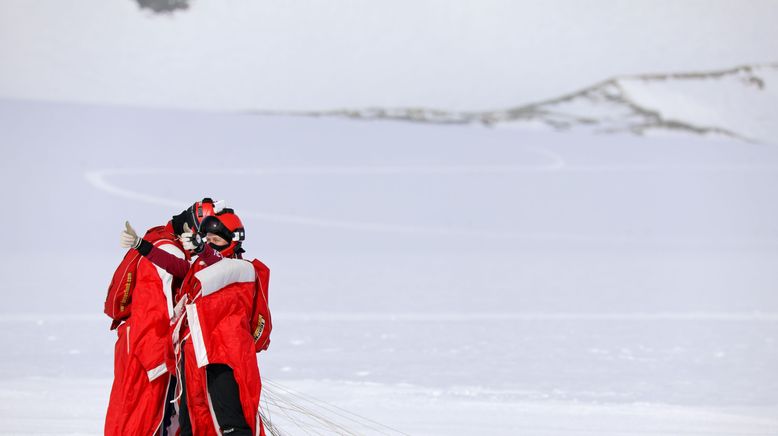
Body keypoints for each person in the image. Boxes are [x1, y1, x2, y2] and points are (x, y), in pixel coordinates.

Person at [104, 198, 222, 436]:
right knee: (143, 416)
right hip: (148, 349)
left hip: (138, 343)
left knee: (132, 413)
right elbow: (152, 309)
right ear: (192, 228)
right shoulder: (168, 248)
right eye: (204, 236)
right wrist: (159, 360)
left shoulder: (162, 241)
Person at [174, 208, 272, 436]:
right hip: (197, 355)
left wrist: (201, 248)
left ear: (233, 242)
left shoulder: (243, 270)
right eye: (207, 239)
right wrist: (142, 246)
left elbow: (218, 262)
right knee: (191, 421)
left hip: (225, 357)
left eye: (215, 240)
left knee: (231, 422)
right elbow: (178, 266)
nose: (210, 244)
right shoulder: (200, 269)